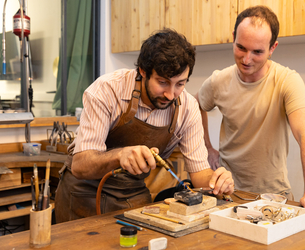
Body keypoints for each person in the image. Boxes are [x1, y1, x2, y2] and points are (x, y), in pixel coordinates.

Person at [55, 29, 234, 223]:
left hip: (131, 193)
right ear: (142, 71)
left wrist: (216, 182)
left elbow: (200, 174)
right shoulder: (107, 90)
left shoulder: (188, 108)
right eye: (163, 82)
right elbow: (81, 165)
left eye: (180, 84)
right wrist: (120, 155)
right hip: (82, 193)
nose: (171, 94)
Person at [196, 6, 305, 218]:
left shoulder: (287, 80)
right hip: (228, 193)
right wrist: (208, 148)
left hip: (273, 195)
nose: (247, 59)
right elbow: (196, 106)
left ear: (272, 47)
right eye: (241, 48)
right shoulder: (218, 81)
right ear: (233, 38)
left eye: (257, 52)